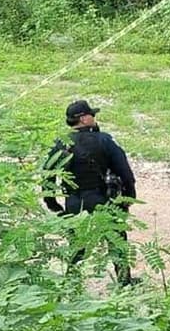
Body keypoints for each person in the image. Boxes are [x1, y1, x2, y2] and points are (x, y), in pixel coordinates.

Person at [42, 100, 137, 285]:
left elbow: (48, 176)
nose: (94, 117)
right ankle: (124, 283)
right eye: (92, 114)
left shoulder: (61, 144)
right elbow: (125, 172)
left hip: (74, 201)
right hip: (102, 198)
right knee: (116, 240)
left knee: (77, 246)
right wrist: (129, 197)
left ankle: (72, 285)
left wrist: (52, 203)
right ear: (84, 119)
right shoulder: (104, 140)